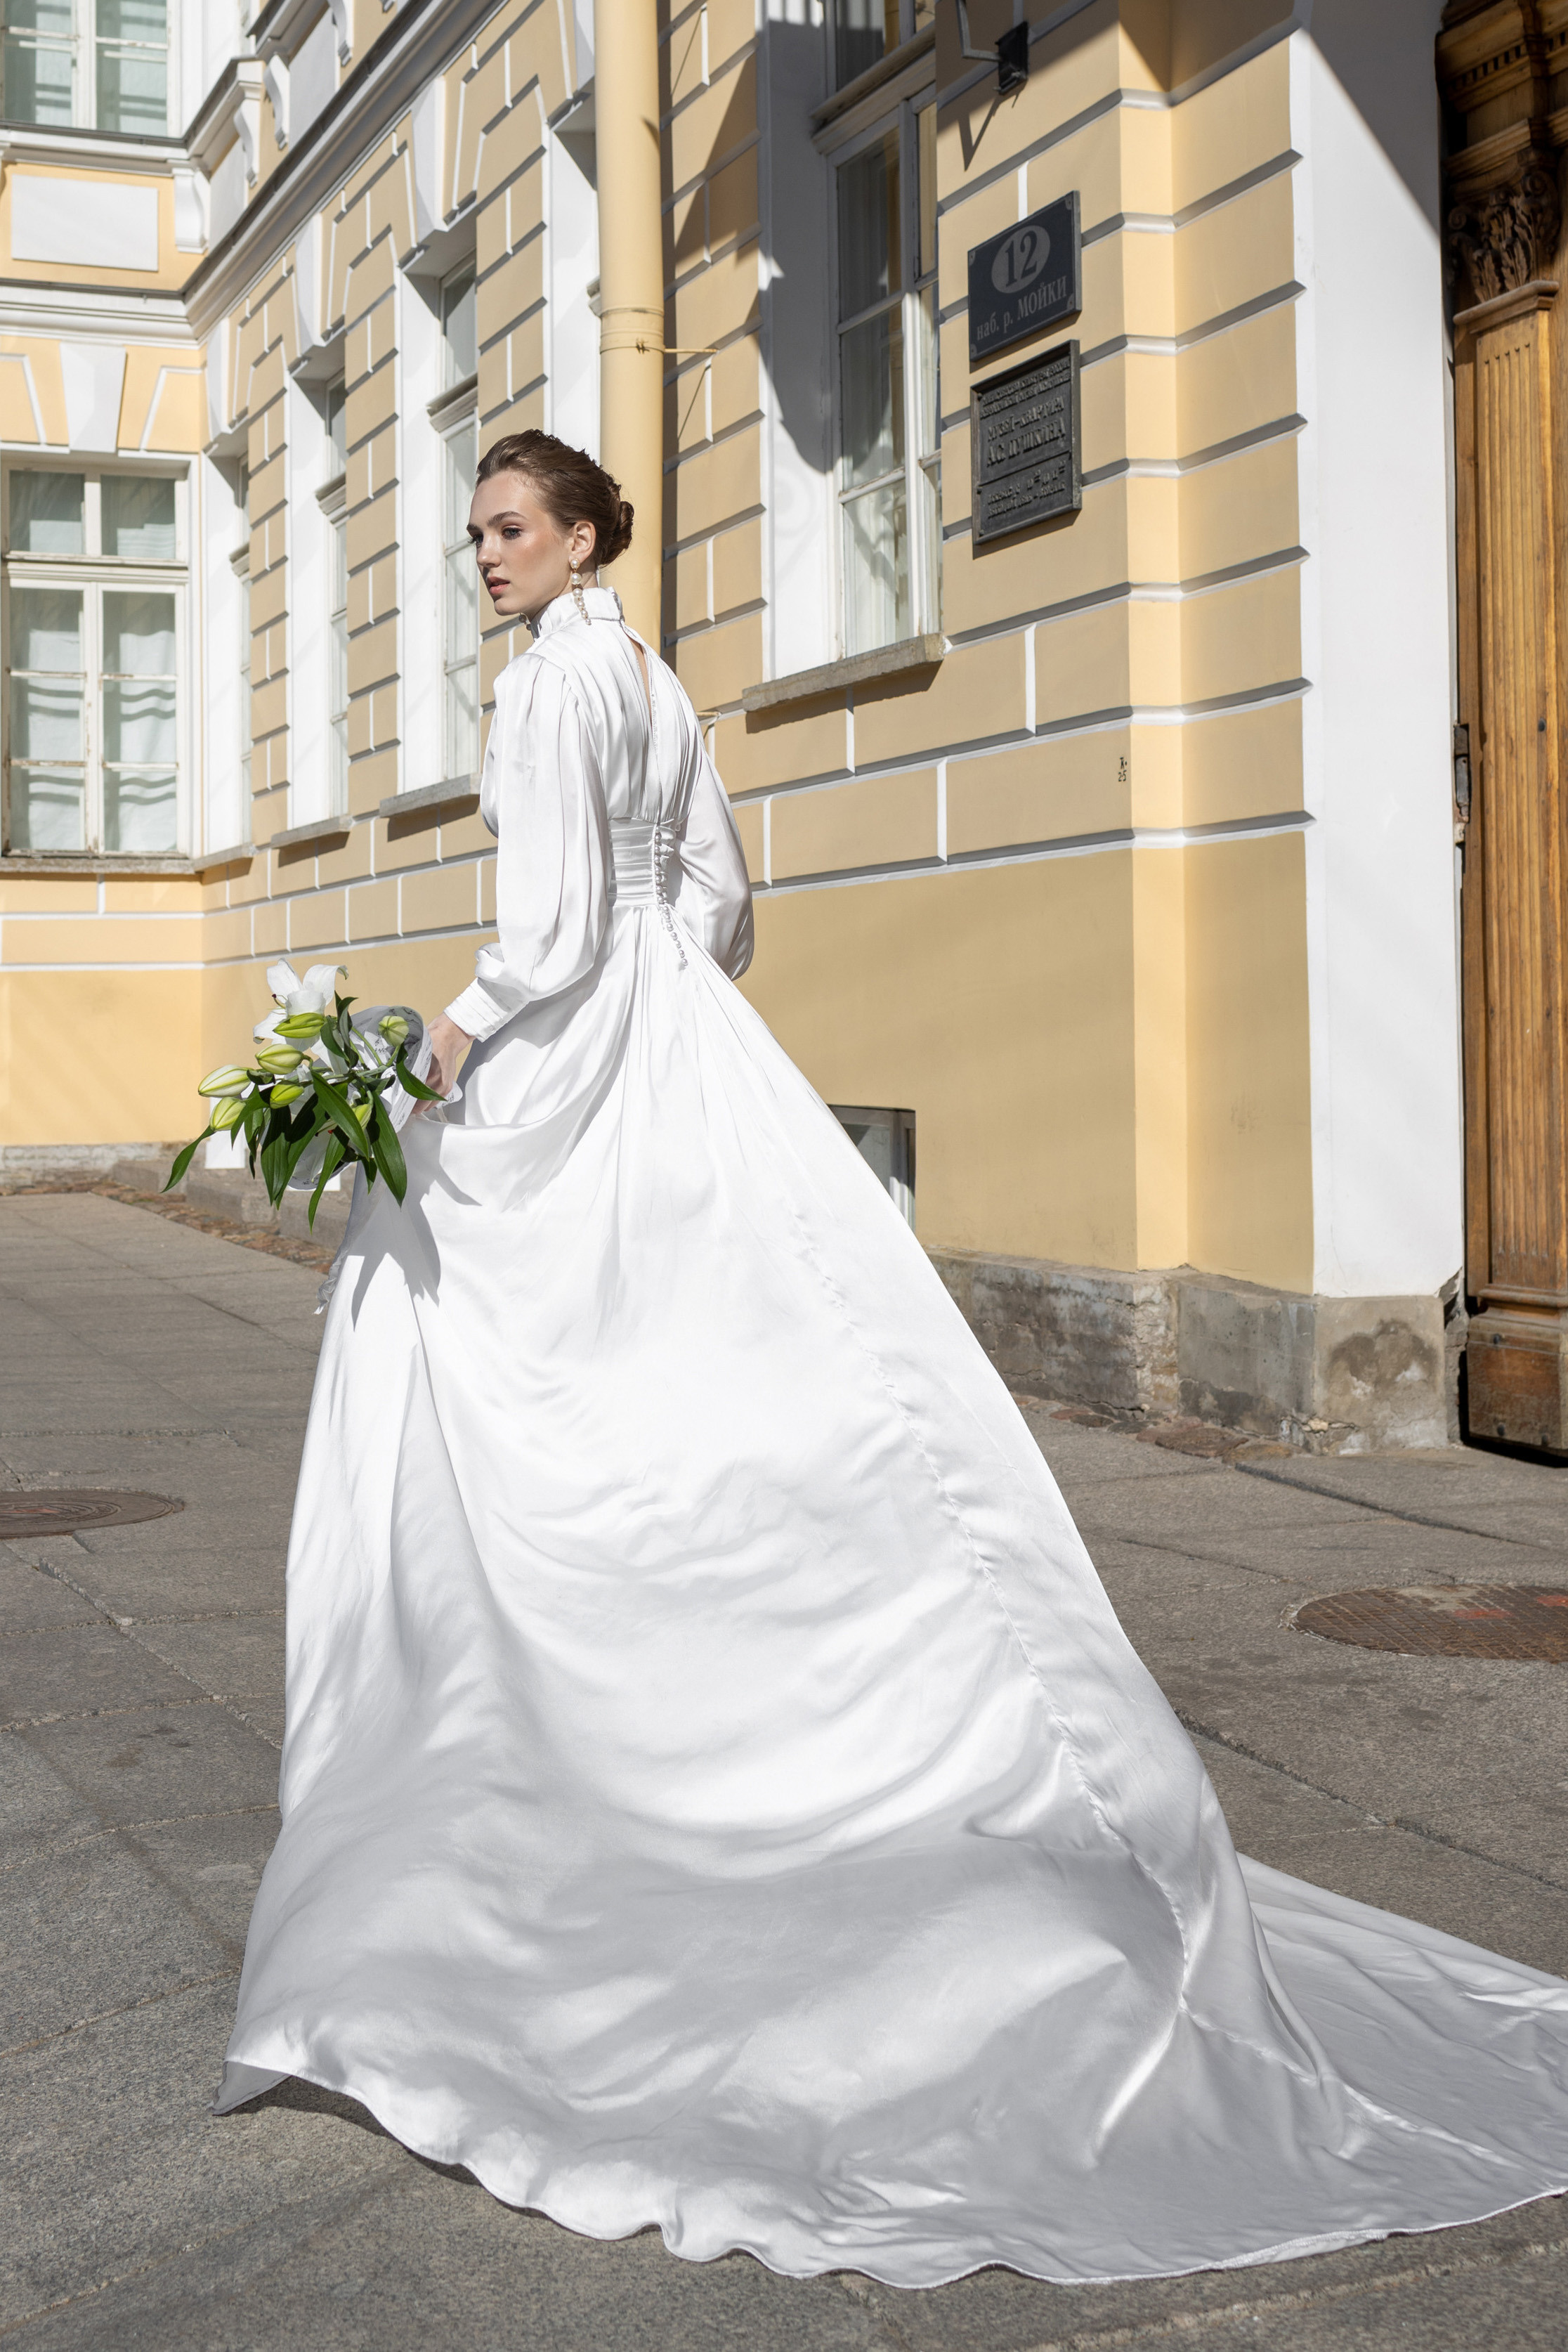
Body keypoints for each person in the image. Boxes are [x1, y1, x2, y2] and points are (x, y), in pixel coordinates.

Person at [214, 431, 1568, 2289]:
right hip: (688, 1059)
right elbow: (717, 901)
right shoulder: (659, 683)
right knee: (765, 1378)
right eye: (477, 537)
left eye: (510, 530)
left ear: (585, 530)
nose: (488, 561)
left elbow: (535, 936)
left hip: (568, 1060)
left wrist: (436, 1051)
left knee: (487, 1392)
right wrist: (662, 1010)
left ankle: (552, 1755)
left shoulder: (542, 695)